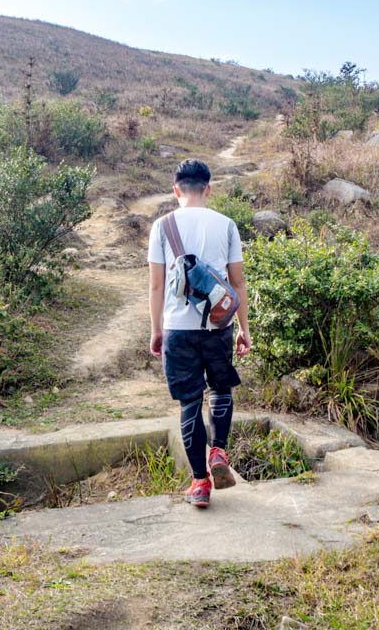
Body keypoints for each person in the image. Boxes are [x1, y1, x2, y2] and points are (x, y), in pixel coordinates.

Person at [147, 159, 252, 508]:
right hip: (218, 325)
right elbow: (237, 283)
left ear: (176, 190)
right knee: (220, 389)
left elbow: (156, 286)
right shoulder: (226, 225)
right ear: (208, 189)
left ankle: (200, 484)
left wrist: (157, 330)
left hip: (178, 329)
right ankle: (218, 451)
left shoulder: (162, 226)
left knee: (190, 401)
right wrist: (244, 329)